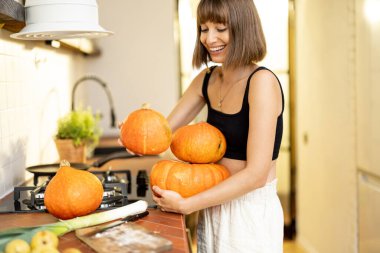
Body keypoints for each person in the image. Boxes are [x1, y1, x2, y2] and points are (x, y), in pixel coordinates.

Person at [123, 0, 284, 252]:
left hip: (249, 212)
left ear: (243, 28)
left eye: (220, 28)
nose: (209, 38)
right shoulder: (207, 79)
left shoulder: (261, 82)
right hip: (211, 203)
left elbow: (256, 175)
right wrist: (135, 138)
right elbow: (162, 134)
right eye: (203, 28)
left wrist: (188, 204)